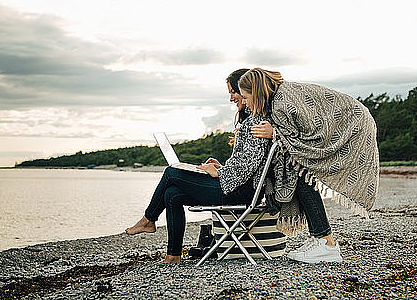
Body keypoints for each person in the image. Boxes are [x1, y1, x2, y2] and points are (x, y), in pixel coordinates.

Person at [125, 73, 272, 264]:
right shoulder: (252, 120)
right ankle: (173, 255)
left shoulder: (256, 123)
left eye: (236, 93)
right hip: (236, 186)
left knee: (171, 172)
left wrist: (219, 173)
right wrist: (222, 166)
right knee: (171, 194)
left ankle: (148, 219)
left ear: (248, 91)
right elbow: (248, 162)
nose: (234, 98)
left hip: (240, 192)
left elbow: (249, 165)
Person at [239, 68, 380, 264]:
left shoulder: (281, 103)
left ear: (256, 92)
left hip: (352, 125)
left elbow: (297, 142)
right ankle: (321, 239)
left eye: (245, 97)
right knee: (300, 174)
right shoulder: (280, 94)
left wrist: (274, 133)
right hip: (354, 118)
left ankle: (326, 243)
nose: (244, 102)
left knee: (301, 175)